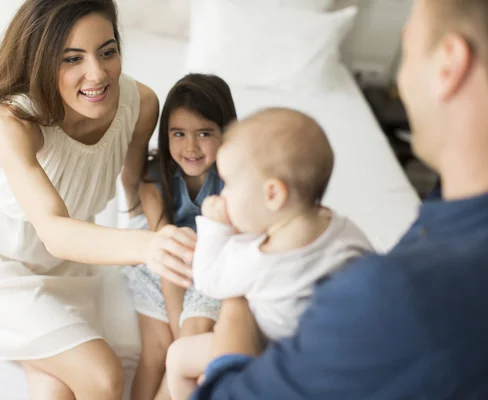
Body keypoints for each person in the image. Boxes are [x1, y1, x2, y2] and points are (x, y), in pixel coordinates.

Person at [190, 0, 488, 398]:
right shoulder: (446, 215)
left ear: (448, 66)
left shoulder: (395, 296)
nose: (401, 76)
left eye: (410, 42)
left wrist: (237, 301)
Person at [0, 1, 195, 399]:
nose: (97, 74)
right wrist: (147, 247)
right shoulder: (10, 121)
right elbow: (55, 230)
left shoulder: (140, 104)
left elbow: (134, 188)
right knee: (103, 374)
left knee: (55, 385)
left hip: (72, 266)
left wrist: (163, 238)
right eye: (71, 59)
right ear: (39, 61)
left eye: (108, 51)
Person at [165, 108, 374, 400]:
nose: (223, 195)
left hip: (271, 356)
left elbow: (207, 278)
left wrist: (214, 224)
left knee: (177, 357)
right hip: (324, 358)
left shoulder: (259, 258)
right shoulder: (339, 227)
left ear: (273, 195)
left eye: (230, 184)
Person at [124, 73, 238, 400]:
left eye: (204, 133)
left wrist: (183, 343)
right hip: (162, 266)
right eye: (179, 134)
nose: (190, 146)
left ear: (225, 133)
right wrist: (176, 335)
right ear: (166, 135)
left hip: (210, 266)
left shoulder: (234, 182)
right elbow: (166, 254)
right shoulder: (154, 179)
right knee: (158, 352)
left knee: (192, 337)